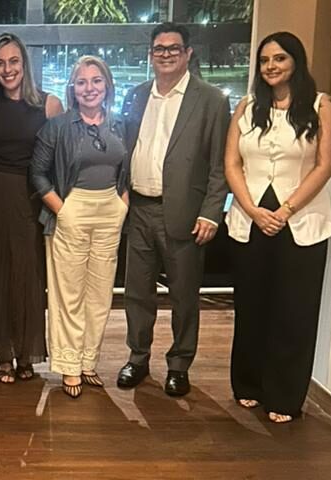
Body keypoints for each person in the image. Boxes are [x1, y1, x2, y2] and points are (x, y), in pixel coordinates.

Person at [224, 32, 331, 423]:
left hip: (302, 222)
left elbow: (325, 165)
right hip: (250, 218)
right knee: (251, 306)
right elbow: (231, 163)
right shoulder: (247, 106)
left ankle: (285, 396)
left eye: (279, 58)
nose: (271, 66)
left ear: (296, 62)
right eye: (264, 60)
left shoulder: (322, 106)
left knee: (294, 310)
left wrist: (286, 210)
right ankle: (248, 384)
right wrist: (252, 209)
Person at [116, 22, 230, 397]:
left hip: (185, 213)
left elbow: (220, 163)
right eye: (159, 49)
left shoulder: (210, 100)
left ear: (187, 53)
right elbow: (126, 148)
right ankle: (138, 357)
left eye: (173, 48)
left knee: (184, 296)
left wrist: (211, 212)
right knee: (137, 293)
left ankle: (179, 365)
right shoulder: (136, 95)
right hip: (140, 209)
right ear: (150, 55)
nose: (166, 54)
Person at [0, 33, 62, 384]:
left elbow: (60, 159)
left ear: (25, 64)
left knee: (26, 273)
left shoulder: (50, 105)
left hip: (29, 196)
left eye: (14, 61)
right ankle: (4, 354)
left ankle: (25, 352)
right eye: (0, 63)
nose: (7, 69)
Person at [31, 55, 130, 398]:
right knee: (69, 293)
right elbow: (38, 173)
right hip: (72, 208)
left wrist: (122, 204)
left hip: (110, 210)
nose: (90, 88)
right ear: (72, 89)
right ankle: (69, 364)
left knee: (100, 293)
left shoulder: (119, 124)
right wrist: (63, 210)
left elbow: (126, 169)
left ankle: (88, 362)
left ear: (107, 85)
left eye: (96, 80)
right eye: (82, 82)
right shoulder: (58, 126)